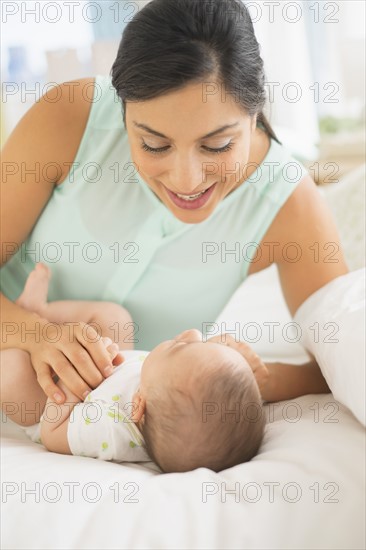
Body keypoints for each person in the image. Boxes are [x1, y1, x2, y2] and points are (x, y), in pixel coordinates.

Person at [1, 0, 347, 412]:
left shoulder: (287, 202)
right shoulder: (70, 117)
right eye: (154, 144)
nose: (186, 181)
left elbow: (335, 364)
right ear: (123, 110)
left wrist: (254, 375)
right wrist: (33, 333)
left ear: (254, 114)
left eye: (217, 145)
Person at [5, 262, 269, 473]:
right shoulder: (172, 389)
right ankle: (38, 313)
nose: (190, 333)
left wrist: (74, 383)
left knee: (11, 371)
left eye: (181, 347)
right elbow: (210, 381)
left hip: (51, 406)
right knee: (116, 318)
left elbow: (53, 434)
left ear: (138, 404)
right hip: (110, 366)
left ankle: (26, 330)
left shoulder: (112, 433)